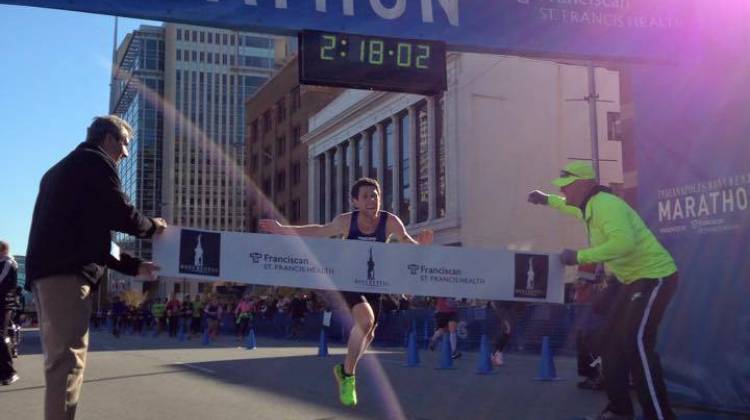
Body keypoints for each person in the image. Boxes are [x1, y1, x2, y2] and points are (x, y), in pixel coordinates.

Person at [24, 115, 167, 420]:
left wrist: (135, 266)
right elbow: (121, 213)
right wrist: (153, 227)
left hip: (49, 274)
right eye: (125, 144)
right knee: (66, 363)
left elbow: (95, 236)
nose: (125, 154)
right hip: (66, 275)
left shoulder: (61, 170)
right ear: (109, 139)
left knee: (61, 361)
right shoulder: (96, 162)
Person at [259, 177, 433, 406]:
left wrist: (422, 246)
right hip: (348, 279)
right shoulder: (346, 221)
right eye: (366, 196)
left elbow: (408, 243)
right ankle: (349, 377)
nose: (371, 200)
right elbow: (319, 231)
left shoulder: (390, 222)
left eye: (375, 195)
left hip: (373, 281)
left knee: (369, 332)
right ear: (355, 201)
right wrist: (283, 230)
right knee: (366, 320)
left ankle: (344, 370)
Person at [528, 161, 678, 420]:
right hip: (630, 279)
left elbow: (624, 243)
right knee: (608, 343)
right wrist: (545, 199)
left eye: (567, 186)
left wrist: (579, 256)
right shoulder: (588, 207)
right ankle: (620, 410)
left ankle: (660, 416)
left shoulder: (606, 205)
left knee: (637, 343)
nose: (564, 191)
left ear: (585, 185)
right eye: (561, 187)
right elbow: (566, 206)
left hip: (654, 275)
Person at [0, 240, 19, 385]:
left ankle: (10, 372)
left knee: (1, 335)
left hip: (5, 304)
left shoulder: (8, 263)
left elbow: (1, 279)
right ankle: (3, 372)